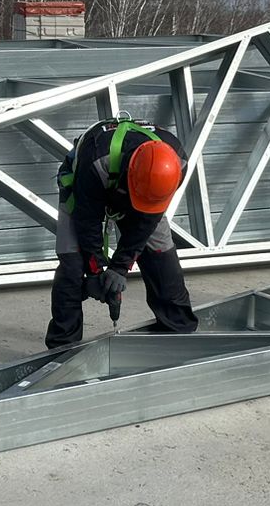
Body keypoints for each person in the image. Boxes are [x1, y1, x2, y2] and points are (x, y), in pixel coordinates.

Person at [44, 116, 199, 349]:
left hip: (143, 194)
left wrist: (119, 268)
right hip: (84, 186)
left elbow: (147, 221)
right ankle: (62, 346)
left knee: (161, 256)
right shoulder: (96, 161)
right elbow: (87, 222)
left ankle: (179, 331)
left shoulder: (177, 163)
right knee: (72, 264)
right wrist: (95, 271)